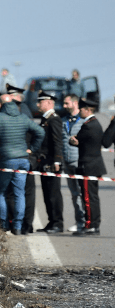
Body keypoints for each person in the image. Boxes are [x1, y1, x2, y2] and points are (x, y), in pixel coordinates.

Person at [0, 93, 45, 235]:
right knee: (19, 194)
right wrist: (32, 149)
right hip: (23, 160)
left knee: (1, 192)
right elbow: (40, 132)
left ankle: (4, 224)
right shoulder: (23, 117)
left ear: (1, 105)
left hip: (6, 160)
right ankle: (17, 226)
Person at [69, 98, 106, 235]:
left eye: (82, 109)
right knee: (93, 196)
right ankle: (93, 224)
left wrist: (73, 140)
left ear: (88, 110)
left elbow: (76, 140)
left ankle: (90, 225)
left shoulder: (89, 125)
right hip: (94, 165)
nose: (80, 111)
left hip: (88, 166)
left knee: (88, 197)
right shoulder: (95, 123)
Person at [5, 84, 36, 234]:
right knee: (23, 192)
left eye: (11, 95)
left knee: (22, 192)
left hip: (22, 156)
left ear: (17, 97)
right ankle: (25, 225)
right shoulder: (23, 110)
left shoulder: (21, 111)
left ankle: (24, 225)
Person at [35, 90, 65, 233]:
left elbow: (57, 142)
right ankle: (51, 221)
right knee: (47, 194)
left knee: (53, 194)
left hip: (52, 163)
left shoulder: (54, 119)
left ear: (48, 103)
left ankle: (58, 223)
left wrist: (57, 161)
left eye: (40, 102)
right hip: (44, 162)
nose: (38, 104)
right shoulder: (45, 119)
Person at [61, 94, 86, 232]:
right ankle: (79, 221)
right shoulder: (64, 120)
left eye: (66, 103)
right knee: (74, 194)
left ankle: (86, 222)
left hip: (79, 161)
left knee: (82, 194)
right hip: (67, 162)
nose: (64, 106)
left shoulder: (83, 121)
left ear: (75, 103)